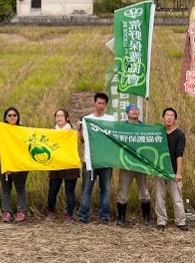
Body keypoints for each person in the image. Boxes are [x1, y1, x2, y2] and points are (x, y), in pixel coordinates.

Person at [75, 93, 114, 224]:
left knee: (106, 190)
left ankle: (105, 216)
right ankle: (83, 215)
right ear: (94, 103)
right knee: (86, 189)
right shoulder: (86, 119)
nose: (101, 106)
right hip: (90, 160)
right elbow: (82, 140)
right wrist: (79, 129)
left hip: (106, 160)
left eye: (103, 104)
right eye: (99, 103)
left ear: (106, 105)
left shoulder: (111, 119)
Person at [115, 104, 153, 228]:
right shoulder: (122, 127)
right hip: (126, 164)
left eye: (136, 110)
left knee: (144, 191)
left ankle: (147, 218)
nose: (135, 112)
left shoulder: (144, 127)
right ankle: (121, 219)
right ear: (127, 113)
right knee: (123, 191)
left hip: (141, 164)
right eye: (132, 110)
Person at [0, 107, 32, 223]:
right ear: (5, 117)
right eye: (9, 115)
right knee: (6, 189)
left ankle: (21, 212)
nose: (12, 117)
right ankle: (6, 212)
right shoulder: (2, 129)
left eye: (14, 115)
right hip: (5, 162)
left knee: (20, 188)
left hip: (19, 164)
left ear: (18, 117)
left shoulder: (22, 130)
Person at [154, 108, 189, 231]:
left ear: (175, 119)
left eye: (171, 116)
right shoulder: (158, 133)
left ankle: (181, 221)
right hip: (159, 169)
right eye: (166, 115)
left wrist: (179, 172)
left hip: (173, 170)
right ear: (163, 117)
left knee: (177, 197)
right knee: (159, 197)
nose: (169, 118)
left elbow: (180, 154)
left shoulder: (180, 134)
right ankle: (161, 221)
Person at [44, 108, 80, 222]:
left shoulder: (72, 132)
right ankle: (50, 212)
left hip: (69, 165)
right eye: (57, 115)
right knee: (52, 190)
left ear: (67, 118)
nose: (59, 118)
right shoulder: (52, 133)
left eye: (61, 115)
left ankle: (69, 215)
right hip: (56, 164)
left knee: (69, 191)